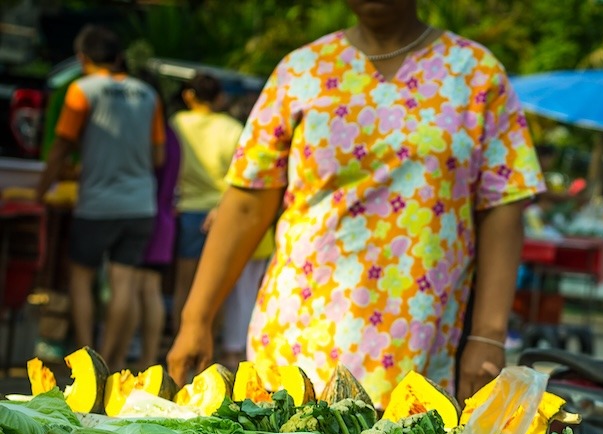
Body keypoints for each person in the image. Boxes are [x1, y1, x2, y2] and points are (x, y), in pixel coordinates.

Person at [166, 0, 543, 406]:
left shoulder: (475, 73)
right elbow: (246, 204)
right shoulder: (302, 71)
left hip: (419, 354)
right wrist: (196, 319)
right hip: (295, 348)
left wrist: (488, 334)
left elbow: (503, 208)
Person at [36, 25, 166, 366]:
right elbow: (158, 157)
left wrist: (41, 189)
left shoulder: (81, 91)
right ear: (119, 56)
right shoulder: (148, 95)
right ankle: (111, 359)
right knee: (124, 282)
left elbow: (61, 146)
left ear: (82, 58)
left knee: (81, 278)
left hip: (96, 203)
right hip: (141, 204)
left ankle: (86, 360)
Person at [170, 74, 246, 336]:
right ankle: (209, 345)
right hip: (223, 211)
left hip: (187, 209)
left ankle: (179, 340)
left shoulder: (177, 123)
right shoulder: (233, 128)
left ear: (189, 96)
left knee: (184, 285)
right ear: (219, 97)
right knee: (217, 288)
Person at [132, 72, 181, 370]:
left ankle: (144, 359)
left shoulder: (155, 135)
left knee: (143, 289)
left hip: (149, 216)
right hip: (165, 219)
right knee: (151, 289)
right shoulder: (172, 134)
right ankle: (148, 360)